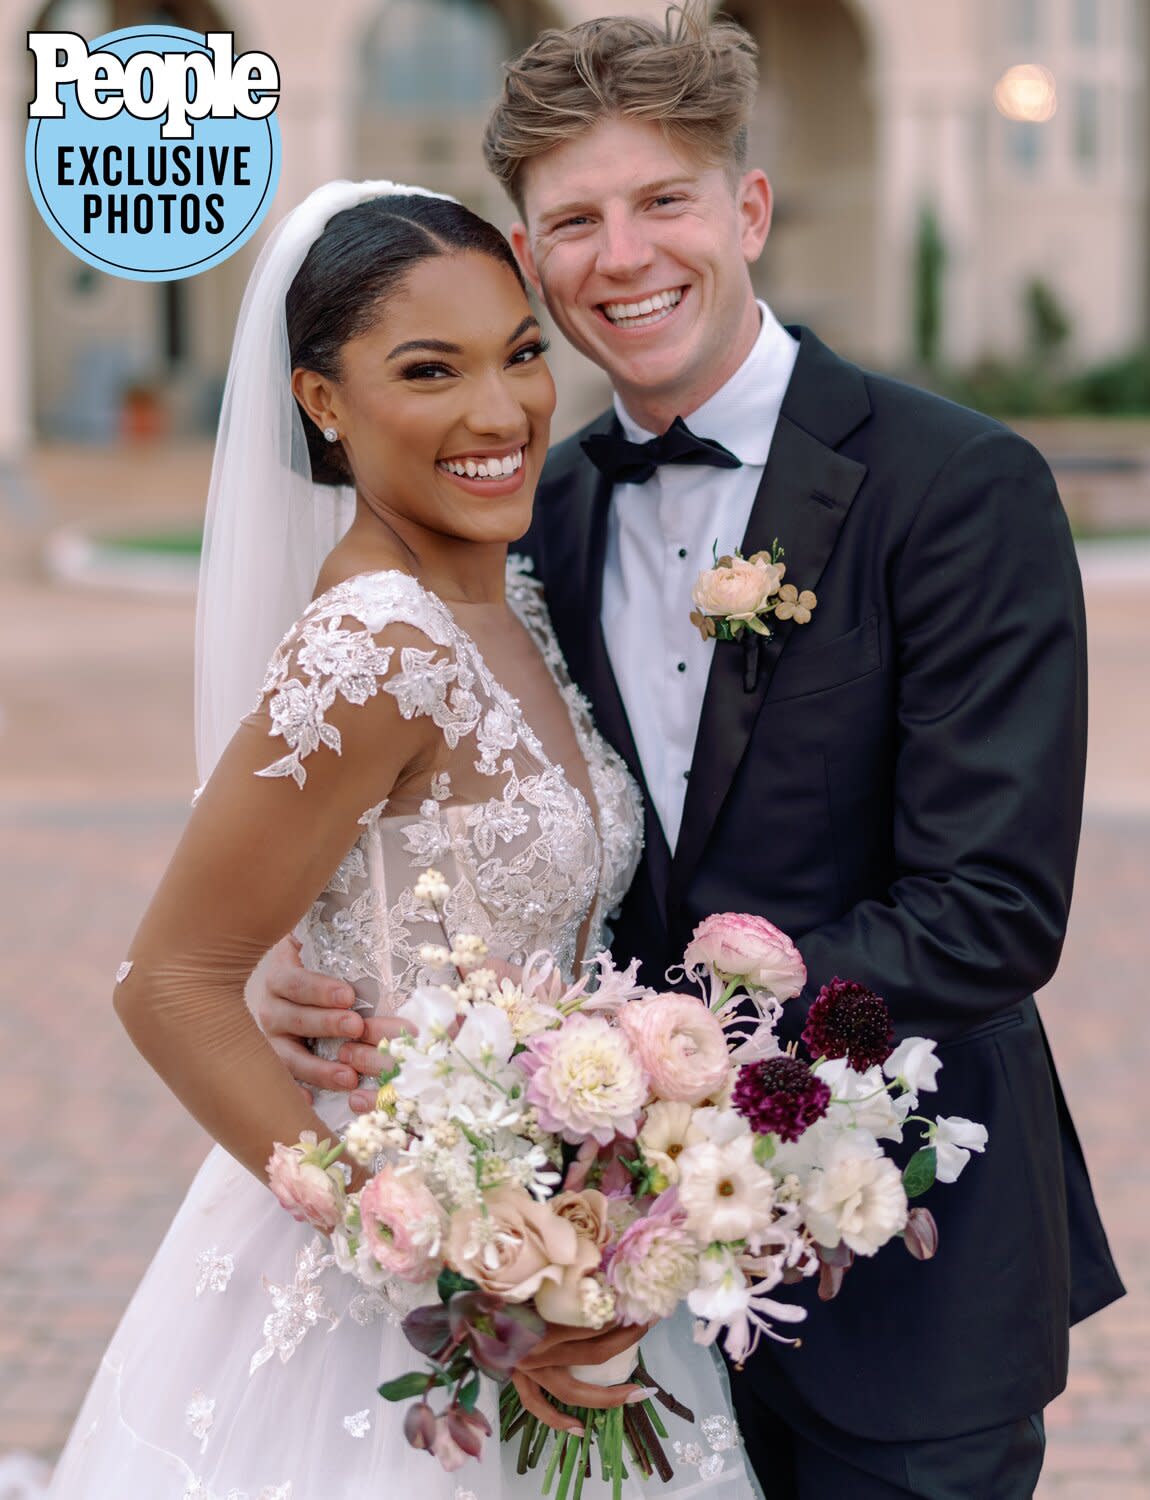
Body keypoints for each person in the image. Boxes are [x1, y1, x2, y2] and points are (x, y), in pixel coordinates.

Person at [260, 10, 1125, 1499]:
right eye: (575, 221)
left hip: (902, 1261)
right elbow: (501, 817)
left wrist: (647, 1067)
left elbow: (989, 912)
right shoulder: (548, 506)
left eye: (662, 200)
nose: (624, 255)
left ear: (747, 208)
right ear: (532, 261)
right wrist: (321, 955)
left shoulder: (960, 486)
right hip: (613, 1298)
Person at [45, 181, 758, 1500]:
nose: (499, 414)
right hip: (409, 1298)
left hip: (569, 1239)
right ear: (324, 400)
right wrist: (430, 1247)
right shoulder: (375, 642)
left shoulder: (507, 595)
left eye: (522, 353)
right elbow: (171, 985)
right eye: (430, 370)